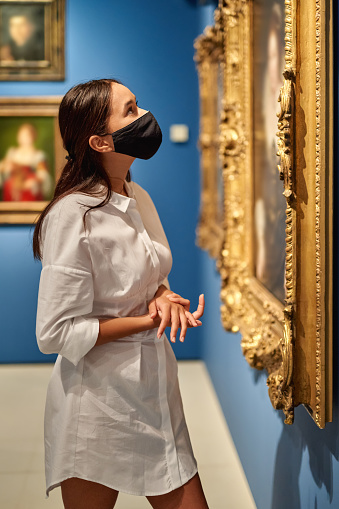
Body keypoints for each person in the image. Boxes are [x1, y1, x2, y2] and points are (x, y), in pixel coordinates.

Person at [33, 78, 208, 509]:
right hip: (98, 406)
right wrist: (148, 320)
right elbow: (55, 332)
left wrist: (163, 295)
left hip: (156, 390)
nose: (144, 117)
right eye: (130, 110)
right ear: (99, 141)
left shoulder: (138, 195)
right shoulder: (72, 215)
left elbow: (148, 274)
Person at [0, 123, 52, 201]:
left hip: (30, 186)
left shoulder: (38, 155)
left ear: (32, 137)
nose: (23, 138)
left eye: (26, 136)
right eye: (21, 135)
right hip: (13, 187)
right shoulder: (13, 153)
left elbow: (43, 174)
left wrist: (31, 182)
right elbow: (5, 168)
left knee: (32, 188)